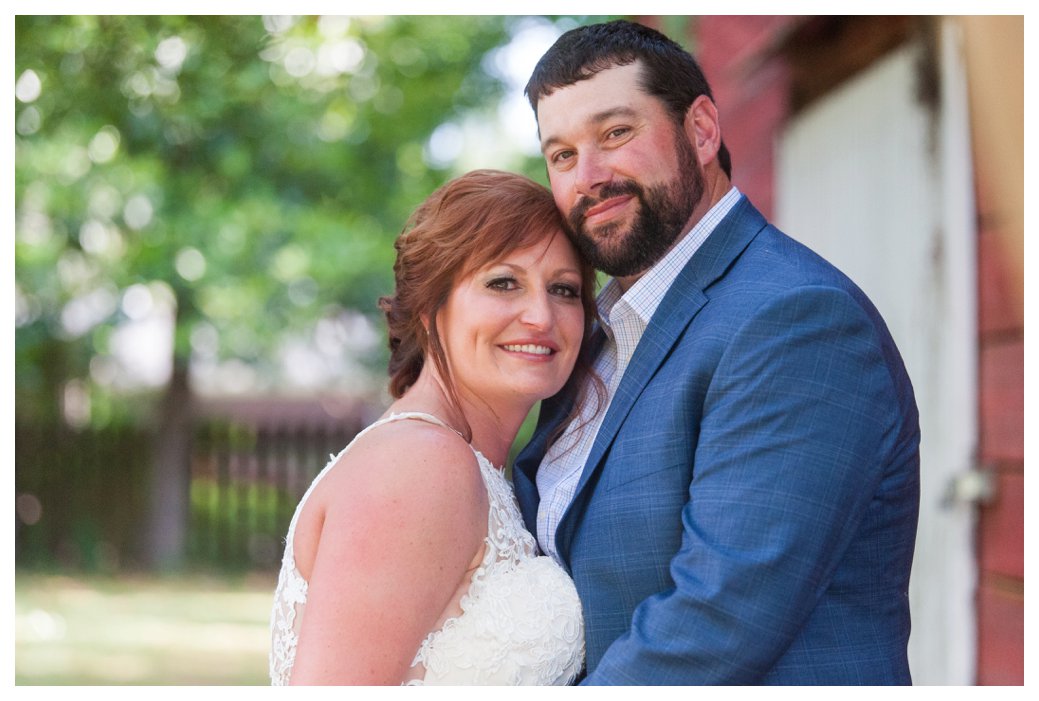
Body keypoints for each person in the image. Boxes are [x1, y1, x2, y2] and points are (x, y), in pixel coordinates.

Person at [513, 20, 921, 685]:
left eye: (615, 133)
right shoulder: (593, 335)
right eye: (561, 155)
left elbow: (720, 617)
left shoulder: (793, 317)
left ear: (701, 131)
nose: (587, 176)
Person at [269, 169, 598, 685]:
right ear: (429, 307)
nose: (541, 315)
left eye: (564, 289)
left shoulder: (470, 465)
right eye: (503, 282)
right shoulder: (420, 464)